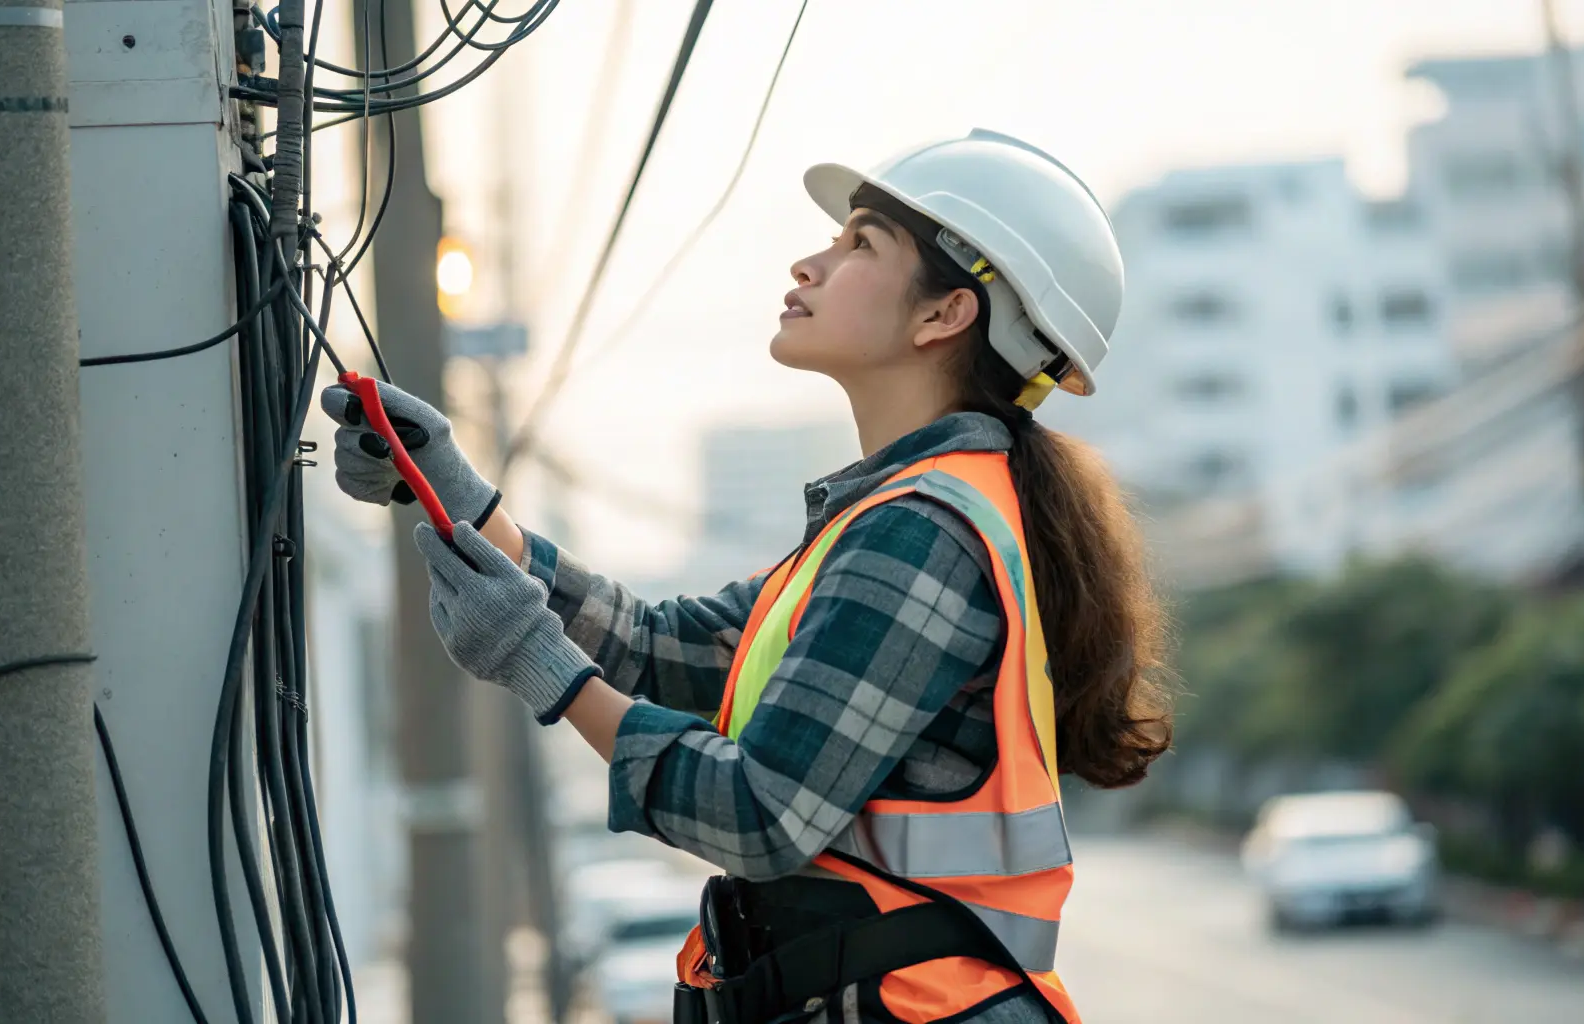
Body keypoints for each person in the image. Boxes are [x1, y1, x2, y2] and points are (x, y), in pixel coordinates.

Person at [322, 128, 1172, 1024]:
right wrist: (451, 490)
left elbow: (762, 816)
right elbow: (653, 647)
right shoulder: (885, 521)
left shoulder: (925, 531)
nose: (809, 263)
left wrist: (539, 663)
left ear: (943, 316)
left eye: (859, 246)